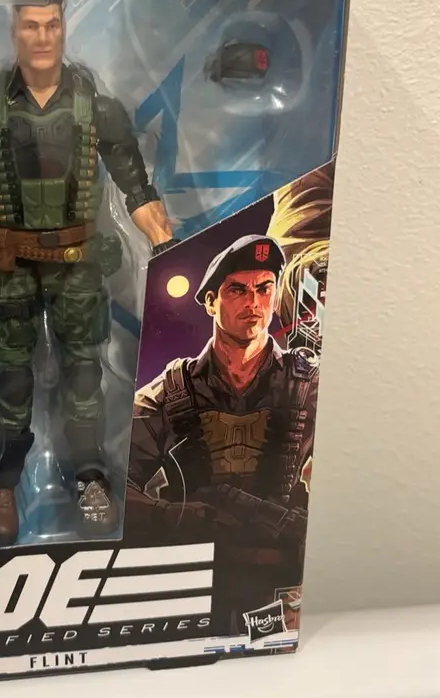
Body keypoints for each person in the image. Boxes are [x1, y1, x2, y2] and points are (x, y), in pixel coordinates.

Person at [0, 0, 176, 545]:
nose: (43, 36)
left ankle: (90, 475)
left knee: (84, 376)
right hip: (12, 267)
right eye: (31, 25)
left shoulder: (98, 109)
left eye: (51, 24)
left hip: (79, 266)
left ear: (63, 27)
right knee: (10, 378)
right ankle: (5, 479)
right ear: (14, 31)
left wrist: (170, 250)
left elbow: (137, 188)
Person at [129, 234, 317, 629]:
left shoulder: (309, 386)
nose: (254, 303)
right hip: (193, 579)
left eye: (264, 288)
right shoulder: (171, 391)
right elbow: (106, 482)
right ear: (211, 301)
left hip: (280, 583)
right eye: (237, 290)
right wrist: (173, 517)